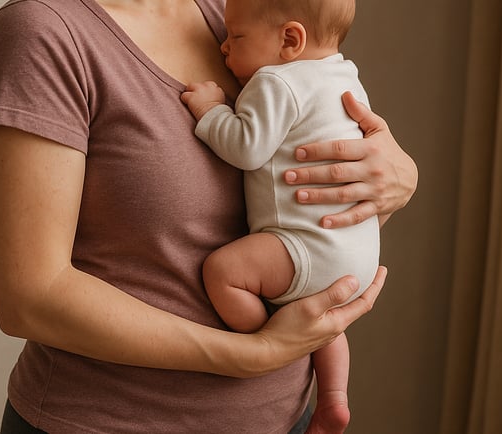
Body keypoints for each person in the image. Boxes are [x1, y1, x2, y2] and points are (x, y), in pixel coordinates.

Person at [0, 0, 417, 432]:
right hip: (114, 421)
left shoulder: (240, 14)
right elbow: (30, 297)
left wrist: (398, 178)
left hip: (288, 416)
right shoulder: (40, 35)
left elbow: (310, 193)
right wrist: (253, 353)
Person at [180, 0, 374, 430]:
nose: (224, 47)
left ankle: (272, 335)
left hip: (305, 246)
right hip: (354, 254)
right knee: (325, 326)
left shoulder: (277, 81)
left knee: (223, 271)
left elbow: (246, 147)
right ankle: (334, 397)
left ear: (290, 40)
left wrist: (211, 109)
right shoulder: (345, 74)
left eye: (237, 37)